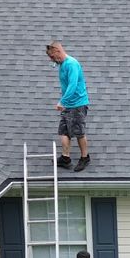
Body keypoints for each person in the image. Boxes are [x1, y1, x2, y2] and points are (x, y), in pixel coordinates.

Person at [45, 40, 90, 171]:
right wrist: (64, 102)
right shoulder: (62, 64)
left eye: (52, 57)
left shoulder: (72, 64)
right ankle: (65, 158)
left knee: (79, 132)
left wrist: (62, 101)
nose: (52, 60)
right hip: (68, 104)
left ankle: (85, 158)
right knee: (64, 131)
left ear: (58, 51)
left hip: (78, 104)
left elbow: (72, 85)